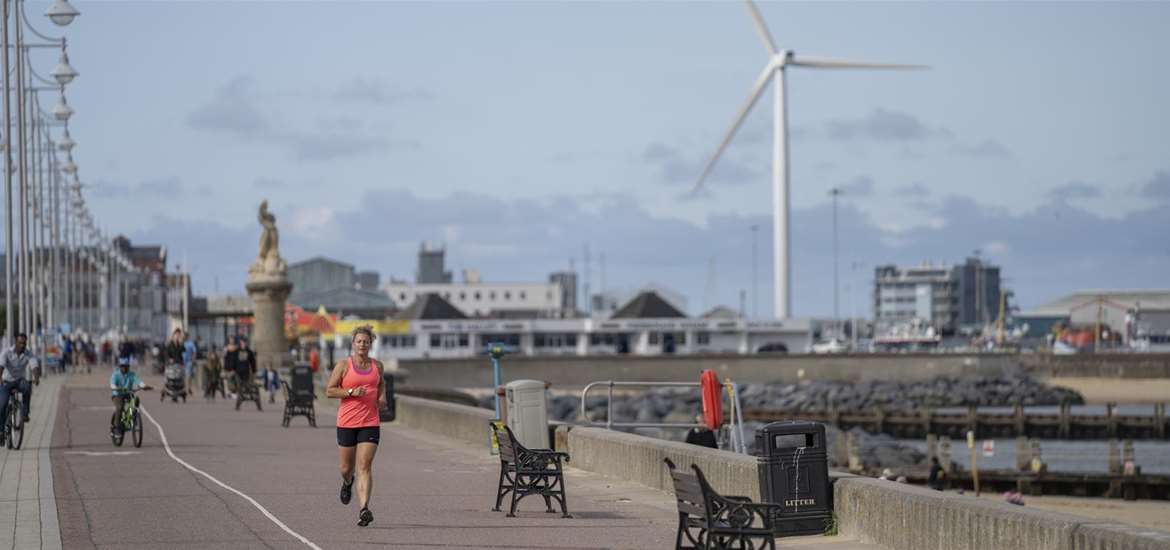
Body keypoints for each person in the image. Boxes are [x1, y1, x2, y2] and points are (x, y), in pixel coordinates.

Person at [326, 325, 387, 527]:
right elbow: (330, 391)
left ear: (371, 344)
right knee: (346, 468)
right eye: (359, 341)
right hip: (347, 422)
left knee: (365, 466)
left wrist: (382, 397)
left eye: (366, 341)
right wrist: (351, 392)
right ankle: (347, 482)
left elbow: (381, 383)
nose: (362, 344)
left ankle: (364, 510)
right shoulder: (343, 365)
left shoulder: (377, 366)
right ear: (353, 344)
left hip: (370, 421)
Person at [0, 333, 39, 428]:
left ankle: (25, 414)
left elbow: (34, 366)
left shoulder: (28, 353)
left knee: (27, 386)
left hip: (19, 381)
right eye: (20, 343)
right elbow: (1, 367)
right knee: (2, 405)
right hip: (6, 382)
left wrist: (36, 377)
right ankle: (1, 430)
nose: (22, 345)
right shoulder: (6, 352)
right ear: (16, 342)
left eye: (24, 343)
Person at [110, 356, 151, 435]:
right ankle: (117, 427)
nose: (124, 368)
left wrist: (144, 386)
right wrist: (116, 388)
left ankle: (132, 416)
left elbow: (139, 381)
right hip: (117, 395)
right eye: (123, 366)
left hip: (128, 393)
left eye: (126, 366)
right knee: (120, 407)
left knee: (136, 400)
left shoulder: (132, 374)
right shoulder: (115, 375)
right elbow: (112, 385)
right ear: (120, 367)